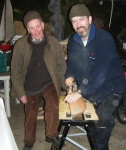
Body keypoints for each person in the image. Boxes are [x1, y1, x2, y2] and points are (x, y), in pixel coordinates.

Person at [64, 4, 126, 150]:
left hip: (111, 87)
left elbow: (101, 73)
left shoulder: (104, 39)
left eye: (81, 19)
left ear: (90, 19)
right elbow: (72, 64)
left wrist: (79, 93)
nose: (78, 25)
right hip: (90, 88)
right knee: (92, 122)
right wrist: (70, 76)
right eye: (74, 21)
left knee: (103, 119)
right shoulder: (73, 41)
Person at [10, 11, 66, 150]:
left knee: (53, 105)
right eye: (32, 28)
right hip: (30, 84)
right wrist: (21, 92)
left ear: (42, 25)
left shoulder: (53, 42)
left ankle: (51, 135)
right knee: (30, 115)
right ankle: (29, 142)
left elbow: (61, 67)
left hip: (49, 82)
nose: (36, 31)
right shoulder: (20, 45)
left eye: (38, 26)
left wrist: (66, 87)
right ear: (28, 30)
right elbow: (15, 72)